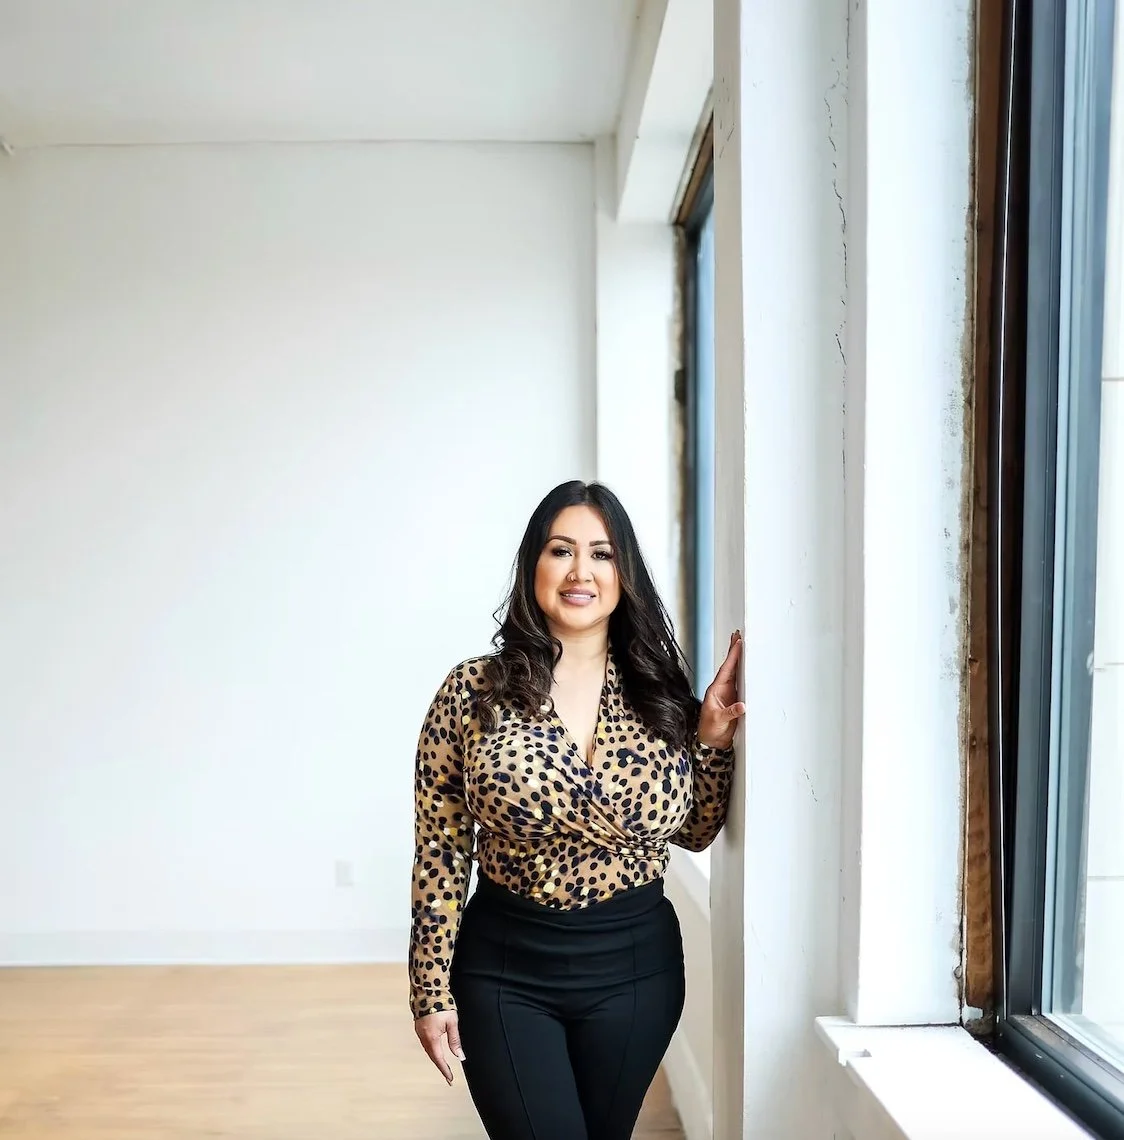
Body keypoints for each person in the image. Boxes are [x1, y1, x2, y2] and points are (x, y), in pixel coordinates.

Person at [408, 479, 743, 1140]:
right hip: (506, 971)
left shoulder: (660, 691)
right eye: (562, 551)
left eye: (603, 554)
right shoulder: (472, 692)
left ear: (624, 575)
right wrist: (429, 987)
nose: (581, 571)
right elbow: (440, 851)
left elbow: (697, 832)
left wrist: (709, 742)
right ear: (535, 565)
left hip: (637, 971)